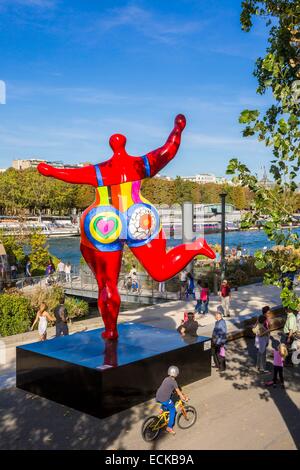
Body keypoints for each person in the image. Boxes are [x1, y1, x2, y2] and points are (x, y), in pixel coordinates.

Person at [156, 366, 188, 435]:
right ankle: (169, 428)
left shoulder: (166, 379)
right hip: (164, 399)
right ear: (176, 373)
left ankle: (162, 409)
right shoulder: (174, 382)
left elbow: (167, 389)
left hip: (158, 396)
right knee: (173, 410)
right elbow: (178, 392)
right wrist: (183, 397)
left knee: (167, 399)